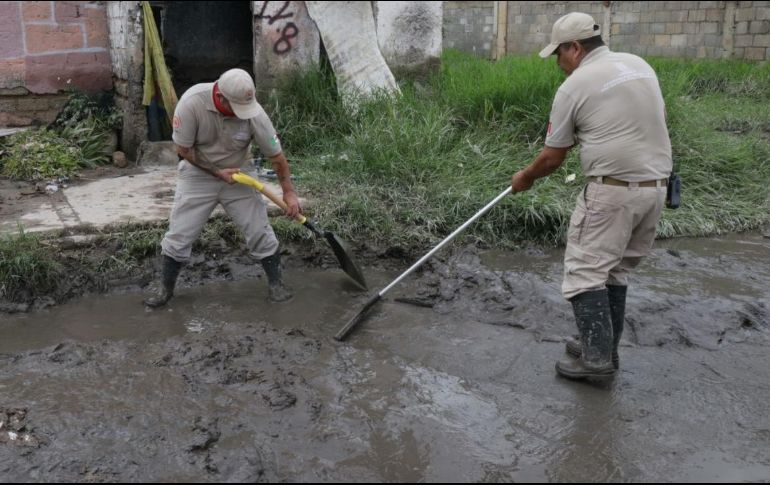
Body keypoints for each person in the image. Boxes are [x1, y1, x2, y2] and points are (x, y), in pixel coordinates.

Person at [510, 13, 672, 380]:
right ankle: (601, 346)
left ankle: (596, 361)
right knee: (614, 270)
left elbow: (553, 157)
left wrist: (525, 178)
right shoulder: (638, 65)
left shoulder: (575, 85)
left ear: (576, 48)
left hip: (612, 192)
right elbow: (657, 118)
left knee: (584, 272)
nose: (559, 64)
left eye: (559, 55)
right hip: (655, 189)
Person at [144, 68, 300, 308]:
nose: (242, 114)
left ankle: (276, 284)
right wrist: (216, 172)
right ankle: (165, 289)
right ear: (220, 96)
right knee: (180, 234)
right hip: (198, 173)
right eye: (236, 108)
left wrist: (288, 193)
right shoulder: (192, 103)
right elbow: (183, 150)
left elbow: (277, 157)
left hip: (239, 174)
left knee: (259, 229)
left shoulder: (254, 114)